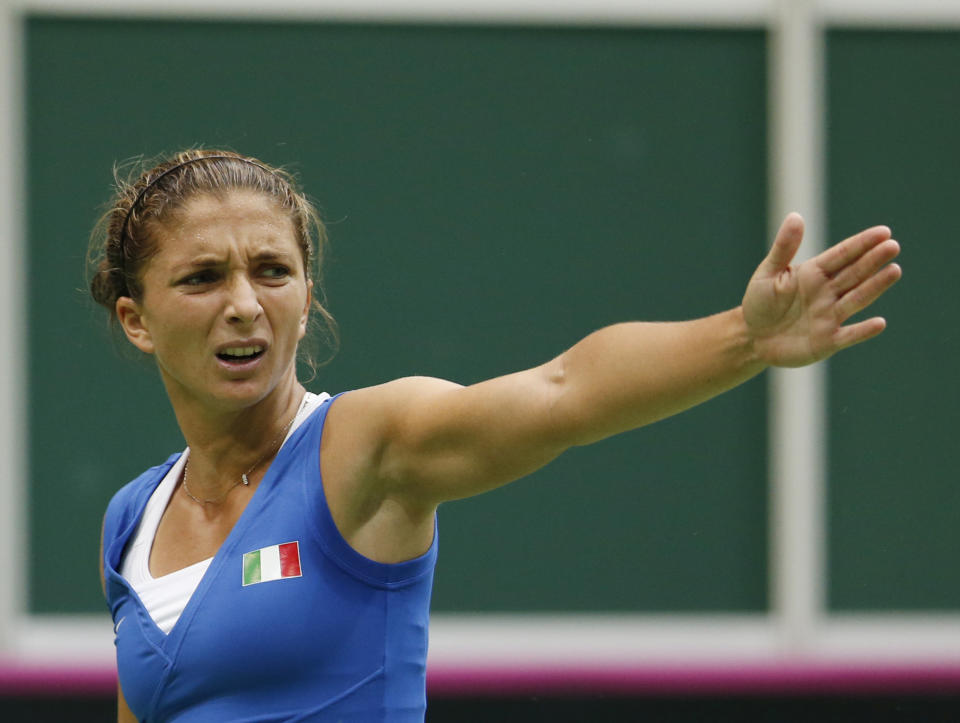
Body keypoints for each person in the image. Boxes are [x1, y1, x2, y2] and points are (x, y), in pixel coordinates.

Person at [93, 149, 901, 722]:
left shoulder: (368, 445)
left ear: (306, 298)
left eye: (272, 271)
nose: (244, 303)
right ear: (137, 320)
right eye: (203, 277)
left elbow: (564, 390)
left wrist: (743, 338)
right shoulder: (134, 518)